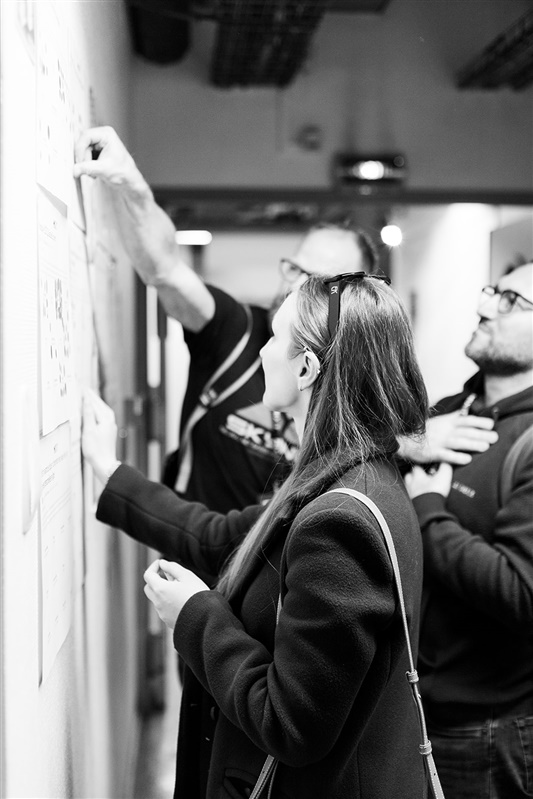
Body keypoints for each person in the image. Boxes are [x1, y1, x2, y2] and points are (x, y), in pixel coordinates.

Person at [82, 272, 431, 799]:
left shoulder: (340, 519)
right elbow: (219, 537)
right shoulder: (344, 475)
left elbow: (291, 723)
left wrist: (195, 615)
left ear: (306, 367)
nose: (262, 352)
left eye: (272, 337)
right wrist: (109, 473)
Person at [74, 126, 378, 514]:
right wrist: (131, 185)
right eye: (295, 269)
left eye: (319, 282)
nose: (295, 287)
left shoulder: (356, 394)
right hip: (189, 542)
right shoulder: (238, 331)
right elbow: (164, 268)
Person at [402, 261, 533, 799]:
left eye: (511, 302)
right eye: (491, 292)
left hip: (488, 732)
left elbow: (520, 591)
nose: (483, 307)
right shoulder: (445, 414)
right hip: (412, 712)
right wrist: (403, 442)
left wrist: (428, 508)